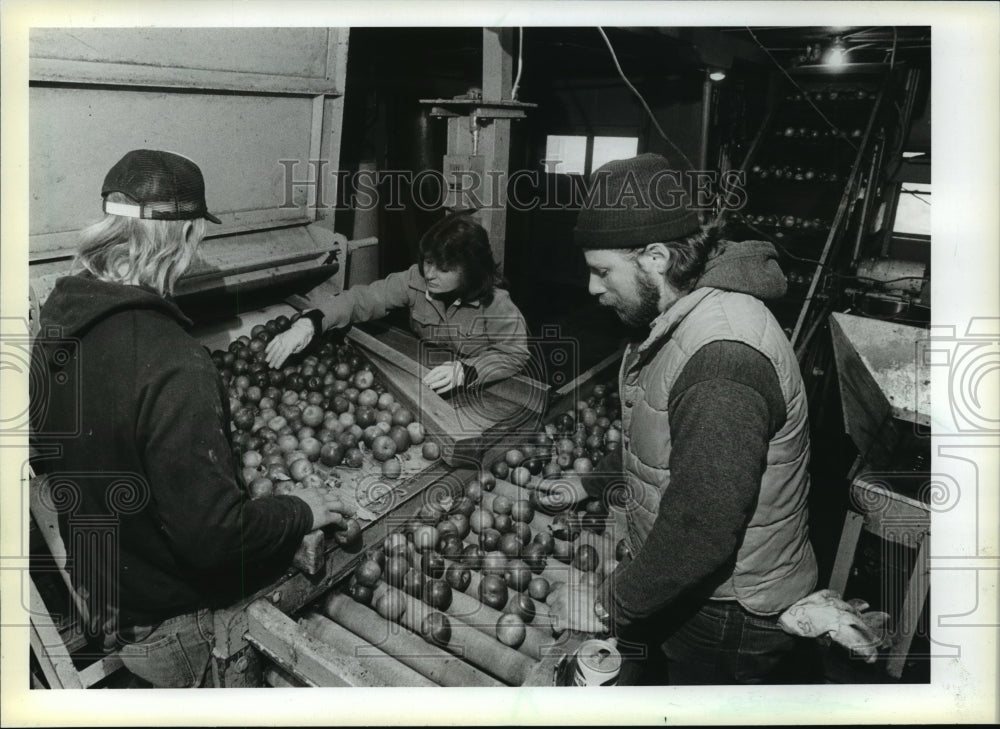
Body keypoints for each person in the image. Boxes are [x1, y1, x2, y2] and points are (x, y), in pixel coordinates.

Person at [30, 149, 353, 688]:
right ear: (181, 240)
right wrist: (301, 509)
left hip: (104, 593)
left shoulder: (58, 329)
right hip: (175, 625)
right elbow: (216, 539)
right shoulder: (174, 360)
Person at [541, 153, 818, 685]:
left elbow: (702, 530)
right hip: (699, 590)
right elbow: (671, 443)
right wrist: (593, 481)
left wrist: (605, 606)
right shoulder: (685, 316)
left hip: (728, 613)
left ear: (657, 258)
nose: (592, 289)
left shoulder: (721, 358)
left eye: (603, 272)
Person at [265, 212, 531, 394]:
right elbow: (361, 300)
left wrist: (468, 371)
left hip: (480, 389)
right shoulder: (414, 281)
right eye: (428, 261)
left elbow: (514, 355)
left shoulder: (497, 306)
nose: (430, 274)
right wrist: (311, 323)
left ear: (471, 270)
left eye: (444, 268)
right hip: (423, 375)